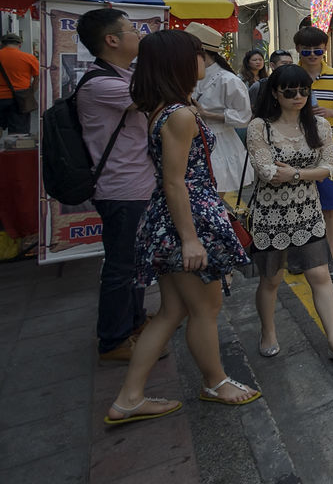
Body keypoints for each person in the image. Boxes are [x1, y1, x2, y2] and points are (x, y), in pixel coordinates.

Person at [104, 28, 259, 426]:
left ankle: (128, 398)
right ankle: (216, 382)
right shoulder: (180, 114)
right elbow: (175, 181)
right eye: (196, 54)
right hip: (185, 221)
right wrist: (190, 239)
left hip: (171, 217)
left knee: (171, 312)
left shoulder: (165, 108)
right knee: (206, 309)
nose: (203, 60)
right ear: (178, 62)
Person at [246, 64, 333, 361]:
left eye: (303, 91)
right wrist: (309, 172)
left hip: (308, 212)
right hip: (270, 214)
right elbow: (267, 171)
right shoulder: (260, 127)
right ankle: (268, 331)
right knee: (271, 278)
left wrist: (294, 174)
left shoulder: (318, 126)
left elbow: (329, 168)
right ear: (275, 93)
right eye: (290, 91)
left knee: (320, 274)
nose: (298, 96)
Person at [74, 10, 153, 364]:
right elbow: (159, 100)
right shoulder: (103, 84)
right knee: (122, 266)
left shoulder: (122, 76)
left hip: (136, 185)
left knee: (135, 262)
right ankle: (114, 339)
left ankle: (135, 323)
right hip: (122, 188)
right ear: (112, 40)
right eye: (132, 29)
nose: (138, 34)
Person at [293, 26, 333, 282]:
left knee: (329, 208)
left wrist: (331, 113)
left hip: (327, 151)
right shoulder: (288, 76)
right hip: (293, 151)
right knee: (296, 206)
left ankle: (328, 258)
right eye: (307, 50)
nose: (313, 55)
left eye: (318, 50)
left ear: (325, 49)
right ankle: (300, 255)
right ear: (298, 49)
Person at [184, 24, 253, 210]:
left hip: (217, 143)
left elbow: (244, 116)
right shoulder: (185, 75)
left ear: (202, 53)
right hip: (188, 140)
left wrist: (207, 114)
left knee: (209, 202)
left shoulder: (228, 80)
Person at [0, 32, 39, 134]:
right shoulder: (29, 58)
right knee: (19, 133)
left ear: (2, 44)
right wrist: (31, 92)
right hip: (20, 99)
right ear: (19, 45)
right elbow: (37, 77)